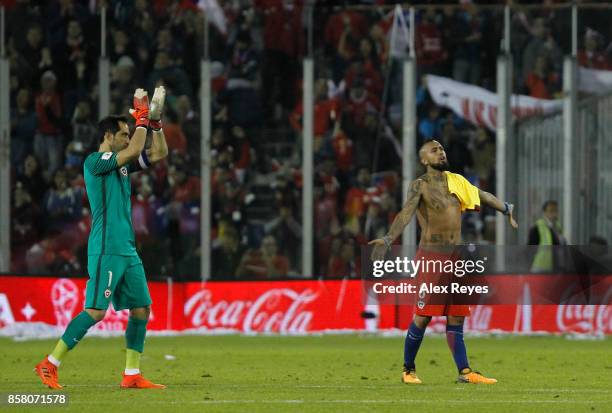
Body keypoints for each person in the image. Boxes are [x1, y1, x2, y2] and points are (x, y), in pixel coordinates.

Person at [35, 87, 169, 390]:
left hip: (126, 249)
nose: (127, 138)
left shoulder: (120, 166)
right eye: (123, 134)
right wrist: (142, 119)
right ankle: (49, 363)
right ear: (108, 137)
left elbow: (159, 153)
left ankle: (132, 374)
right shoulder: (95, 162)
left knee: (141, 309)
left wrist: (155, 124)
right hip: (106, 248)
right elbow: (134, 149)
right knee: (95, 311)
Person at [369, 139, 518, 385]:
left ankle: (465, 373)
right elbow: (406, 213)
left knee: (457, 317)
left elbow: (481, 195)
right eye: (434, 150)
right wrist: (387, 239)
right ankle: (408, 370)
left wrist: (505, 208)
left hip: (456, 259)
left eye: (442, 149)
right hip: (431, 258)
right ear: (424, 160)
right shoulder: (420, 185)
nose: (441, 152)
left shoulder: (457, 182)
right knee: (424, 316)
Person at [528, 200, 565, 272]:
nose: (554, 214)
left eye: (556, 211)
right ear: (545, 212)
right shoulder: (537, 227)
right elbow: (530, 250)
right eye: (551, 211)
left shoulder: (558, 227)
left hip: (555, 267)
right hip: (540, 267)